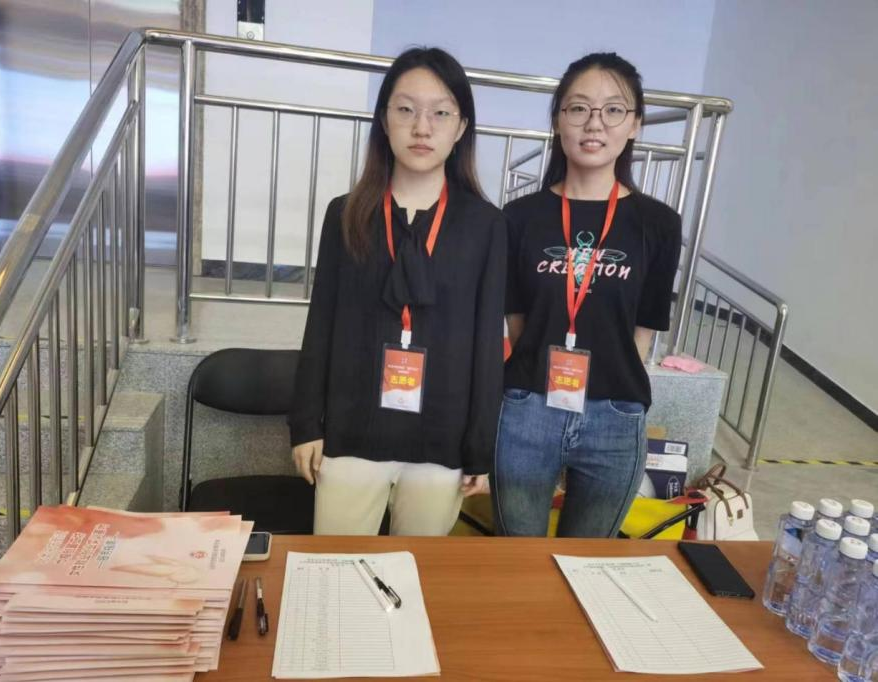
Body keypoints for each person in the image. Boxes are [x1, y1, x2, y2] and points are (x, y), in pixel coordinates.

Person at [289, 47, 506, 536]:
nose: (422, 127)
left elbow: (486, 345)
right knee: (338, 569)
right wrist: (306, 425)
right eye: (406, 109)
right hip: (351, 433)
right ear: (384, 120)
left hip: (441, 442)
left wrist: (480, 447)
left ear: (461, 127)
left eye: (440, 113)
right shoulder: (345, 213)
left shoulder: (486, 226)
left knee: (418, 571)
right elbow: (320, 323)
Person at [493, 52, 681, 538]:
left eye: (613, 110)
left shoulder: (659, 224)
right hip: (528, 407)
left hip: (615, 415)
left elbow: (643, 331)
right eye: (578, 108)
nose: (594, 123)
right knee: (519, 562)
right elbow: (518, 322)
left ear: (635, 124)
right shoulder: (518, 218)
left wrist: (612, 384)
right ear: (558, 120)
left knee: (588, 565)